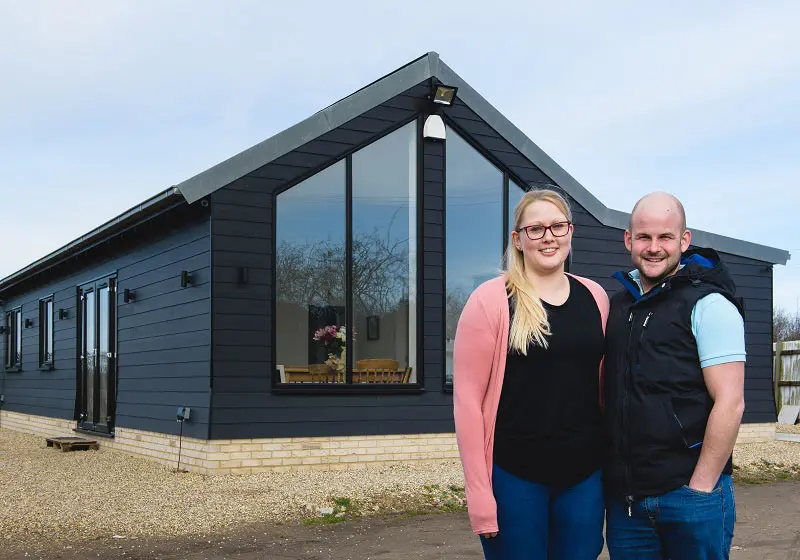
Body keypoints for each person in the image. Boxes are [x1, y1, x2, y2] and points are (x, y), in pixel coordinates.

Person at [453, 189, 609, 559]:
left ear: (570, 232)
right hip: (515, 477)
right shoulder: (491, 300)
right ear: (518, 239)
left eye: (557, 226)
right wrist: (478, 491)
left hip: (583, 478)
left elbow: (603, 387)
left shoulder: (596, 297)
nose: (548, 236)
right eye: (536, 229)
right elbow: (467, 402)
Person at [603, 192, 746, 559]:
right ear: (628, 239)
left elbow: (731, 402)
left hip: (690, 497)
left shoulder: (709, 304)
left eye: (665, 237)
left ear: (684, 240)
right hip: (628, 507)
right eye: (644, 237)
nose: (653, 248)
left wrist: (700, 488)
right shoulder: (618, 306)